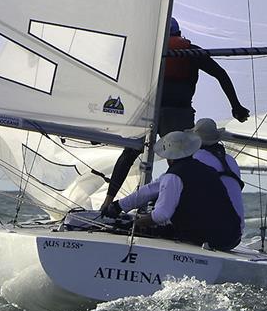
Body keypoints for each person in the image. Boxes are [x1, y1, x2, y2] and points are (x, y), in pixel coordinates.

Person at [101, 17, 250, 213]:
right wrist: (236, 106)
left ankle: (107, 202)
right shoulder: (190, 51)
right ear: (179, 34)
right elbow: (220, 74)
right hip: (178, 113)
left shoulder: (149, 52)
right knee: (183, 161)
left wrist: (109, 120)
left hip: (148, 111)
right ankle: (173, 207)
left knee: (129, 153)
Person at [106, 130, 242, 250]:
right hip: (232, 237)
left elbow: (161, 215)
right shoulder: (208, 169)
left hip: (208, 240)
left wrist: (134, 224)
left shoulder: (173, 175)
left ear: (169, 157)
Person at [190, 118, 245, 233]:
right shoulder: (231, 161)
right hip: (236, 233)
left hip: (210, 232)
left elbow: (172, 185)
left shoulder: (195, 159)